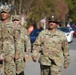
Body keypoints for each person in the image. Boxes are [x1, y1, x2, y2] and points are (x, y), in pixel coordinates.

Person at [0, 6, 16, 75]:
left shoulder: (13, 25)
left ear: (9, 14)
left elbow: (17, 40)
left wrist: (17, 53)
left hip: (9, 52)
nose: (3, 14)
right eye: (2, 12)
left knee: (9, 72)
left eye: (5, 12)